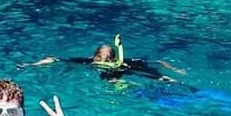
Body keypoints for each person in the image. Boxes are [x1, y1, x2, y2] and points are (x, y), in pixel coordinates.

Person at [23, 33, 185, 83]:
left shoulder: (125, 62)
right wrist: (33, 64)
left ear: (112, 60)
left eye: (105, 60)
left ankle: (171, 80)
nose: (101, 62)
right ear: (94, 57)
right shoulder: (88, 61)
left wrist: (173, 68)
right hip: (115, 72)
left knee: (154, 76)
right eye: (99, 59)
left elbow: (158, 62)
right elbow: (54, 58)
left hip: (123, 70)